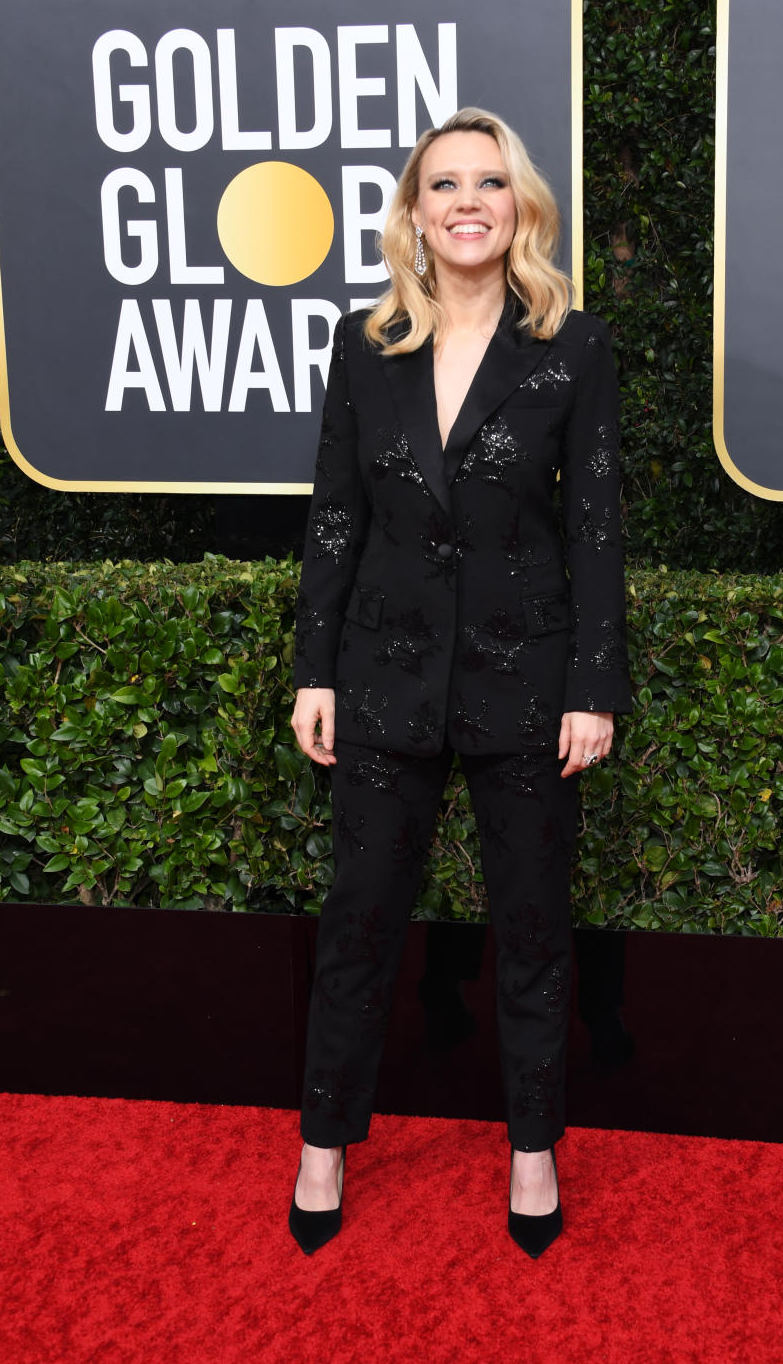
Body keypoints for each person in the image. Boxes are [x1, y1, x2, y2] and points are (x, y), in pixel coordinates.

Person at [288, 106, 631, 1258]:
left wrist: (594, 685)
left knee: (533, 931)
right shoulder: (363, 343)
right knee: (357, 926)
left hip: (527, 685)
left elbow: (594, 532)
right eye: (446, 185)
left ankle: (532, 1152)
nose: (469, 202)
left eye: (490, 182)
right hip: (380, 678)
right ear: (416, 213)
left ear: (519, 206)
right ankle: (323, 1145)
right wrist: (313, 669)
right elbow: (335, 518)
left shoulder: (571, 347)